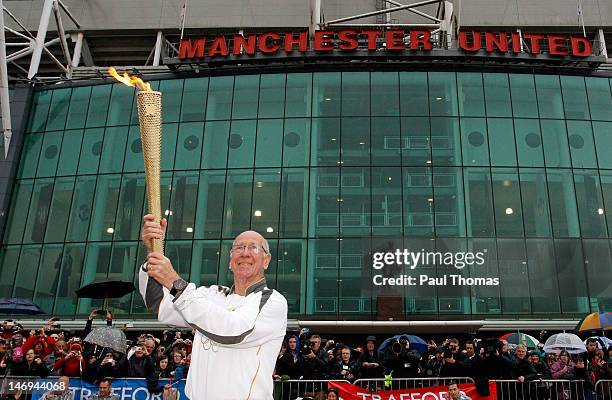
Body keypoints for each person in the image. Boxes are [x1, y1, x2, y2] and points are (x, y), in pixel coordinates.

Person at [139, 214, 288, 399]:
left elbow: (234, 331)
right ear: (230, 260)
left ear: (266, 260)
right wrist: (153, 252)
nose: (245, 253)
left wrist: (174, 282)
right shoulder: (211, 294)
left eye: (253, 248)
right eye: (239, 248)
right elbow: (159, 304)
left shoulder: (273, 301)